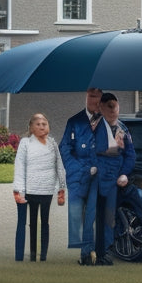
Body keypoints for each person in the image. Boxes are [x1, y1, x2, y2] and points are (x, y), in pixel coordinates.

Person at [12, 113, 66, 262]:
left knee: (44, 222)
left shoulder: (53, 144)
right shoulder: (26, 143)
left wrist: (61, 188)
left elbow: (59, 166)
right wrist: (19, 190)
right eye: (38, 124)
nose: (42, 126)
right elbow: (20, 166)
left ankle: (43, 255)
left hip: (47, 190)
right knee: (31, 223)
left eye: (44, 124)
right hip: (30, 190)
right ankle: (27, 255)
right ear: (31, 127)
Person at [60, 87, 102, 266]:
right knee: (78, 214)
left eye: (99, 98)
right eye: (92, 97)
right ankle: (86, 251)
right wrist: (79, 169)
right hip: (79, 175)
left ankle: (90, 252)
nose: (95, 101)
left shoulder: (108, 122)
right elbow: (65, 148)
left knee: (94, 214)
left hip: (99, 177)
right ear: (86, 97)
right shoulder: (74, 121)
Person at [92, 92, 136, 265]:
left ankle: (106, 251)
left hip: (112, 180)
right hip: (93, 179)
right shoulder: (91, 128)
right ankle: (89, 252)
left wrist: (124, 173)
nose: (113, 110)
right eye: (109, 106)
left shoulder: (122, 130)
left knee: (109, 216)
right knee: (90, 217)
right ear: (101, 108)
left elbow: (130, 155)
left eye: (115, 106)